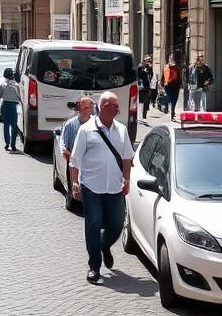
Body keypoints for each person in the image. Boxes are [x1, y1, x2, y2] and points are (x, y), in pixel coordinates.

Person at [70, 92, 133, 285]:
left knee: (117, 222)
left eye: (117, 106)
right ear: (103, 107)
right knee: (93, 224)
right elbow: (75, 159)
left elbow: (127, 158)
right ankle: (94, 267)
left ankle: (104, 245)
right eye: (113, 106)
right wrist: (74, 181)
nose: (117, 109)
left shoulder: (122, 130)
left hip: (114, 188)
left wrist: (127, 180)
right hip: (92, 187)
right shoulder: (87, 130)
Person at [60, 96, 96, 162]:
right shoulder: (69, 124)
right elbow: (63, 144)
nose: (88, 110)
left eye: (89, 107)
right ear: (78, 108)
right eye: (84, 107)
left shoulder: (97, 124)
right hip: (74, 162)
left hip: (92, 163)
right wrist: (69, 157)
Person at [0, 69, 23, 151]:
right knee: (14, 125)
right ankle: (13, 145)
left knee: (6, 125)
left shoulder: (3, 85)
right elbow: (20, 97)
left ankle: (7, 143)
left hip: (5, 105)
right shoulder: (17, 85)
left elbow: (0, 95)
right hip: (14, 106)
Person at [162, 55, 181, 121]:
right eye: (170, 59)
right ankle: (170, 110)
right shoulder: (166, 68)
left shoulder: (177, 68)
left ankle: (172, 112)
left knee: (173, 100)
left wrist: (179, 85)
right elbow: (163, 76)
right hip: (169, 86)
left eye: (172, 59)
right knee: (170, 99)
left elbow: (179, 77)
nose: (171, 60)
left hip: (175, 86)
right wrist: (162, 84)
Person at [136, 56, 154, 121]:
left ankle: (144, 116)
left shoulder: (149, 68)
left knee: (146, 102)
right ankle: (138, 116)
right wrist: (144, 72)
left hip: (147, 87)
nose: (146, 62)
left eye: (147, 61)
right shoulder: (139, 68)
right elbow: (138, 75)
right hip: (140, 88)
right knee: (140, 102)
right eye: (145, 61)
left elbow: (151, 75)